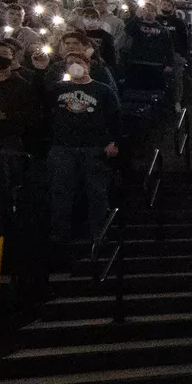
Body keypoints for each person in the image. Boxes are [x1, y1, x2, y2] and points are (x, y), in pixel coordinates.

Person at [46, 50, 121, 267]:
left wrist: (114, 142)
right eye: (69, 63)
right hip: (63, 147)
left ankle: (99, 234)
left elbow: (115, 117)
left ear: (87, 65)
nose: (74, 65)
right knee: (60, 192)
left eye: (78, 62)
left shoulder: (102, 90)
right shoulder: (56, 89)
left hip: (94, 147)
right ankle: (60, 235)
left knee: (97, 192)